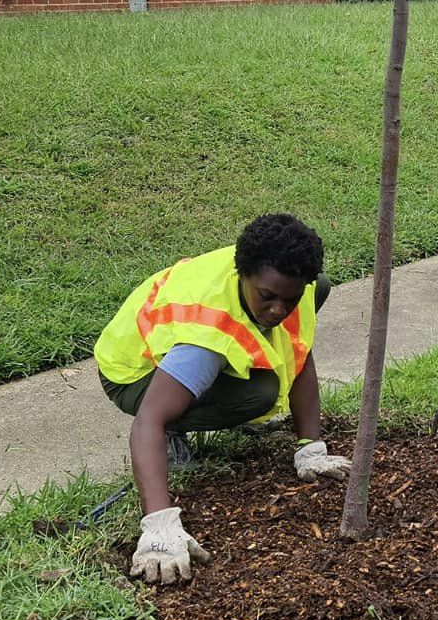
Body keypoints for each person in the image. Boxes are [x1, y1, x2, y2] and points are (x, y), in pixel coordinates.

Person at [95, 212, 350, 584]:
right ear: (243, 274)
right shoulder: (207, 336)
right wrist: (160, 526)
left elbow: (297, 349)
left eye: (289, 299)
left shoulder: (300, 284)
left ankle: (190, 396)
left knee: (270, 372)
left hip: (178, 347)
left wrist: (311, 447)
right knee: (258, 394)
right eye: (267, 297)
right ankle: (175, 432)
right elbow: (147, 421)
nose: (278, 309)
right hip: (132, 370)